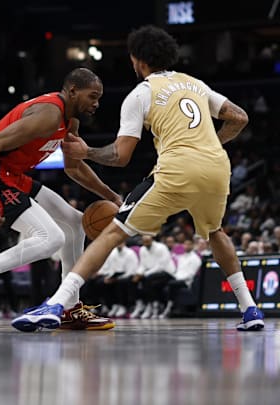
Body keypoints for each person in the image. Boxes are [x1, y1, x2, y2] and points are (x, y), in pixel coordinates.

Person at [22, 25, 263, 332]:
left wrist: (88, 151)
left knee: (112, 232)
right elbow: (239, 117)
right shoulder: (195, 84)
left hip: (177, 169)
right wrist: (211, 144)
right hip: (217, 167)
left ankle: (56, 303)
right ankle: (250, 309)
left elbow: (120, 157)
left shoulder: (142, 93)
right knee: (215, 232)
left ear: (138, 60)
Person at [0, 67, 121, 331]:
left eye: (99, 98)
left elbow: (74, 168)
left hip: (13, 175)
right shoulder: (49, 114)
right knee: (51, 238)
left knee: (75, 223)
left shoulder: (70, 121)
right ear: (72, 91)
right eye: (92, 96)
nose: (96, 104)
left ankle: (69, 307)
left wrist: (112, 196)